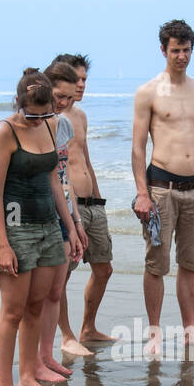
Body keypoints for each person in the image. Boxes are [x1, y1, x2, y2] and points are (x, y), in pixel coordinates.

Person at [0, 69, 82, 386]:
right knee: (12, 312)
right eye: (33, 114)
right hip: (16, 228)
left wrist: (69, 227)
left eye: (45, 114)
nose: (39, 119)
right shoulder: (5, 131)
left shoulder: (51, 125)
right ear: (18, 103)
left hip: (47, 227)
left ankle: (29, 376)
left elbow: (55, 180)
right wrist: (4, 243)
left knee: (36, 307)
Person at [131, 19, 194, 356]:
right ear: (163, 50)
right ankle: (154, 332)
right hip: (160, 188)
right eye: (175, 50)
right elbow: (138, 146)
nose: (181, 56)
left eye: (186, 50)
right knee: (157, 261)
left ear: (192, 50)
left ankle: (189, 330)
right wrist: (142, 193)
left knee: (190, 263)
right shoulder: (148, 92)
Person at [52, 52, 115, 346]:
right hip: (68, 206)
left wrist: (98, 197)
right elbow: (59, 170)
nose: (81, 85)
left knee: (104, 267)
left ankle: (87, 327)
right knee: (62, 274)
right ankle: (65, 335)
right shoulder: (53, 117)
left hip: (92, 203)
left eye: (84, 79)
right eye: (76, 79)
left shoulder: (79, 115)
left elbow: (85, 159)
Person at [36, 60, 89, 376]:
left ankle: (47, 357)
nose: (64, 104)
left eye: (69, 98)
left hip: (63, 215)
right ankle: (33, 363)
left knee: (55, 290)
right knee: (32, 298)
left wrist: (76, 223)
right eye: (59, 96)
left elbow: (63, 177)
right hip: (33, 216)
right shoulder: (22, 125)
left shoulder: (65, 125)